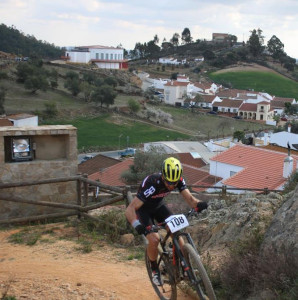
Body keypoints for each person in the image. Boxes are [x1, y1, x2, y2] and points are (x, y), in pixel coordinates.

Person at [125, 157, 208, 286]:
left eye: (174, 183)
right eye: (169, 182)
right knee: (154, 239)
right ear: (163, 176)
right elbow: (130, 208)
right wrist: (137, 225)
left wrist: (200, 204)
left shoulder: (178, 180)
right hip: (143, 210)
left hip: (159, 206)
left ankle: (185, 266)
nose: (171, 185)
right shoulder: (152, 184)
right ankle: (154, 270)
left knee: (176, 231)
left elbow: (190, 199)